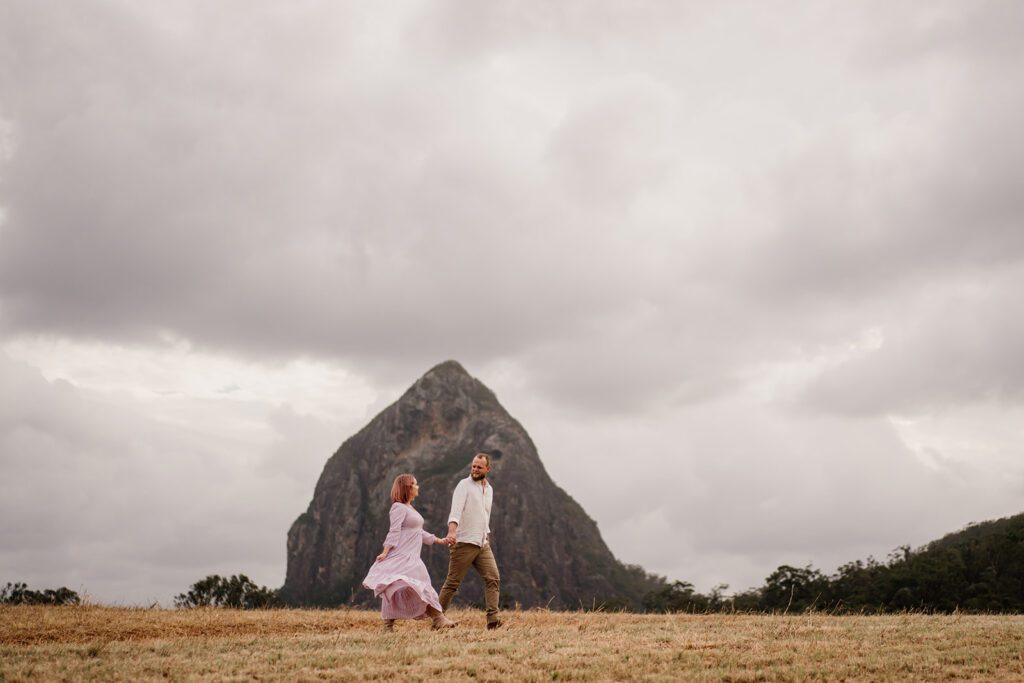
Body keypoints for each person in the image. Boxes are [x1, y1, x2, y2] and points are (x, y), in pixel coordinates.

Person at [362, 474, 456, 631]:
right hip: (400, 555)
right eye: (415, 484)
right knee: (393, 586)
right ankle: (390, 625)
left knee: (417, 585)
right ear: (407, 487)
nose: (418, 487)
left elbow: (419, 532)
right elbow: (394, 531)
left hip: (412, 557)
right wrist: (385, 552)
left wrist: (439, 540)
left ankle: (437, 619)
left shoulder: (410, 508)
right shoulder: (398, 507)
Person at [439, 452, 502, 629]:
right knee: (452, 583)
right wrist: (452, 532)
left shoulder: (489, 489)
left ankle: (493, 620)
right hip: (464, 542)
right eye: (473, 466)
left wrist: (486, 534)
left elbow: (485, 515)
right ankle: (438, 619)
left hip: (482, 543)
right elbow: (455, 511)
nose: (474, 469)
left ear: (487, 469)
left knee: (493, 578)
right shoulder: (463, 486)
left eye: (479, 467)